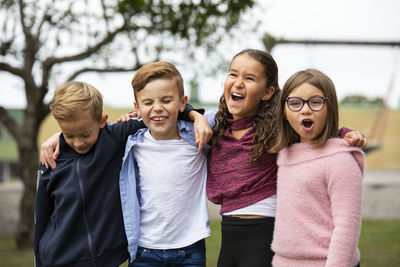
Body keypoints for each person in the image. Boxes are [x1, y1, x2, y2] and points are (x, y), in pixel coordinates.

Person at [205, 49, 367, 267]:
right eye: (233, 74)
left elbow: (309, 122)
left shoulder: (275, 130)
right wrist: (193, 115)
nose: (238, 82)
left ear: (268, 92)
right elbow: (176, 112)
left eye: (250, 78)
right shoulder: (214, 127)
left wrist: (345, 133)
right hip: (230, 238)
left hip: (264, 237)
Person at [35, 80, 211, 267]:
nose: (78, 143)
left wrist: (195, 115)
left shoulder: (114, 138)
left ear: (102, 121)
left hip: (108, 260)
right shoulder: (52, 160)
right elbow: (41, 217)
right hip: (59, 260)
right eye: (69, 135)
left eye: (85, 134)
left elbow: (161, 112)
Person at [118, 61, 211, 267]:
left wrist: (197, 116)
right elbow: (89, 132)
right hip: (144, 250)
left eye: (167, 100)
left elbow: (223, 117)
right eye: (148, 102)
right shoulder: (132, 142)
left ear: (182, 102)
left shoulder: (196, 136)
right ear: (137, 108)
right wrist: (58, 138)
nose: (157, 108)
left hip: (190, 249)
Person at [270, 68, 364, 267]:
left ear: (330, 107)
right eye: (295, 103)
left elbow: (347, 227)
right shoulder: (285, 153)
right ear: (284, 111)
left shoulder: (340, 160)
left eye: (316, 102)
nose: (305, 109)